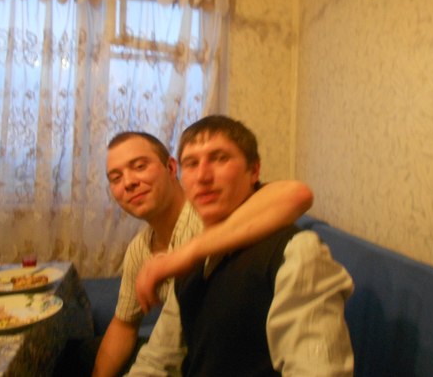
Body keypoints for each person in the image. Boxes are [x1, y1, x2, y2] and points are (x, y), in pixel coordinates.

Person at [129, 116, 354, 376]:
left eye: (220, 158)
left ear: (254, 171)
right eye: (191, 163)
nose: (203, 176)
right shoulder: (188, 261)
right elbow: (157, 360)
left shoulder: (295, 251)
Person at [92, 131, 314, 377]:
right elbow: (125, 324)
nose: (128, 182)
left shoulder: (216, 215)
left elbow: (295, 194)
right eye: (116, 178)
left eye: (140, 166)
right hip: (180, 349)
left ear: (171, 168)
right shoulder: (139, 248)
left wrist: (185, 255)